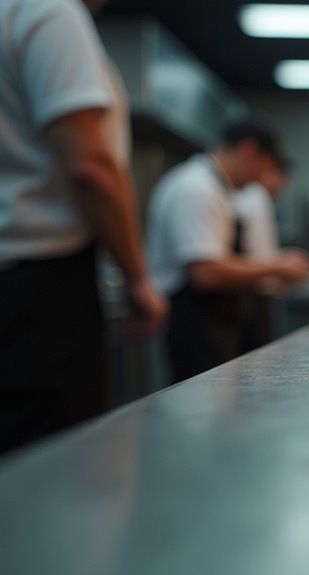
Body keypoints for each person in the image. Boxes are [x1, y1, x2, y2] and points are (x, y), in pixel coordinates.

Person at [0, 0, 167, 454]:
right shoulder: (48, 10)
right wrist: (137, 277)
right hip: (40, 288)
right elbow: (90, 167)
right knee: (50, 467)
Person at [146, 118, 309, 383]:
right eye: (264, 168)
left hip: (216, 318)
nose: (260, 180)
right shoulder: (195, 189)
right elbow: (206, 273)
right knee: (201, 413)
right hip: (194, 320)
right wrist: (279, 265)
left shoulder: (218, 189)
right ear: (248, 152)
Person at [233, 157, 290, 352]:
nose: (280, 189)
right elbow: (259, 253)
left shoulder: (248, 194)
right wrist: (281, 270)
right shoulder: (257, 195)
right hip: (253, 295)